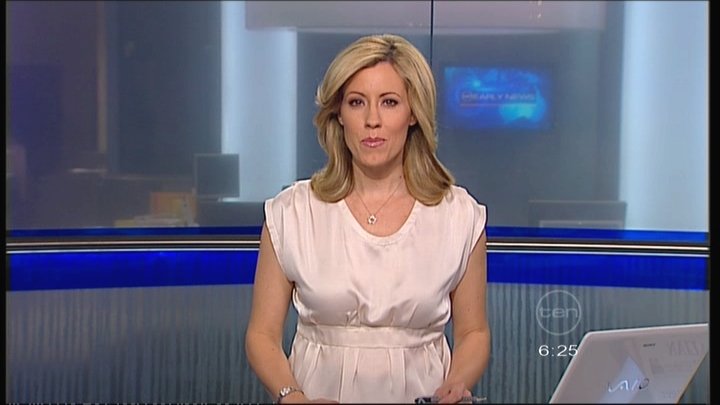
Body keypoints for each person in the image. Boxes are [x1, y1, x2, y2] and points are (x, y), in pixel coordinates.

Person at [245, 33, 490, 404]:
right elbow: (261, 335)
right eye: (357, 102)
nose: (372, 120)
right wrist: (291, 397)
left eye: (389, 102)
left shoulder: (459, 215)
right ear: (339, 114)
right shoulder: (292, 212)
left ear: (413, 114)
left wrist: (456, 384)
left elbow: (474, 333)